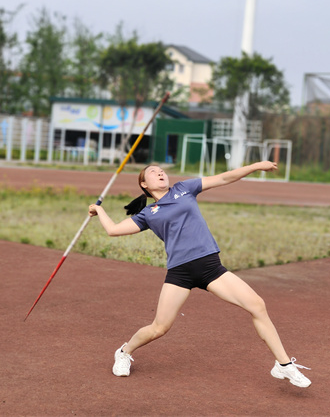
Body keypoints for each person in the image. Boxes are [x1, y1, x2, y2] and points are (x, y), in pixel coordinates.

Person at [88, 161, 311, 388]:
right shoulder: (148, 213)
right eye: (153, 172)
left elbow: (224, 178)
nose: (160, 172)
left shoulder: (184, 188)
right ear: (144, 184)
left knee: (257, 305)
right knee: (159, 328)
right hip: (180, 272)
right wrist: (99, 210)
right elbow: (113, 230)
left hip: (210, 267)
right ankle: (124, 352)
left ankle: (283, 365)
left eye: (161, 170)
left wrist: (255, 166)